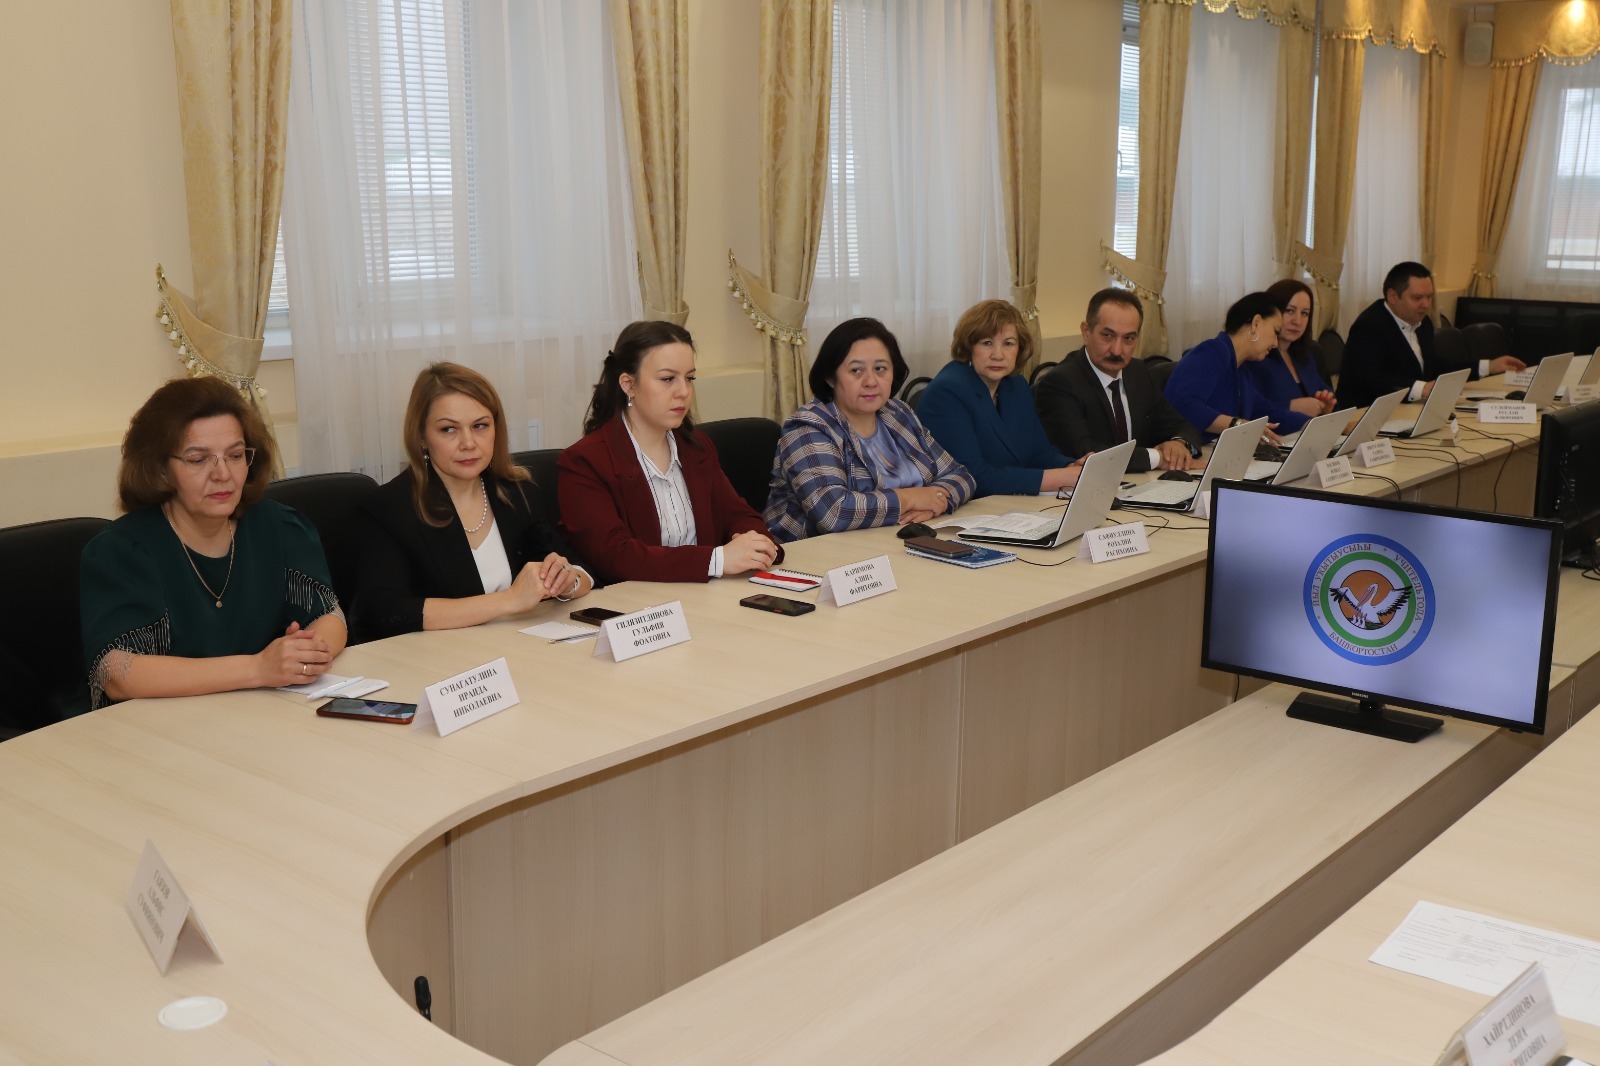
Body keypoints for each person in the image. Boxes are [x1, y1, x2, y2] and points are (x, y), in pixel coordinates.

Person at [79, 377, 346, 710]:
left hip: (264, 713)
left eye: (235, 455)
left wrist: (305, 653)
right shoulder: (121, 551)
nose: (223, 474)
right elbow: (116, 674)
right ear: (161, 469)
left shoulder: (280, 526)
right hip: (162, 727)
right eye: (198, 459)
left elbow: (330, 616)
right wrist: (257, 668)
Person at [354, 363, 591, 641]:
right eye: (448, 429)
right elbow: (384, 612)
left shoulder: (517, 491)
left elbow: (579, 571)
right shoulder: (389, 508)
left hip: (518, 646)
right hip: (440, 659)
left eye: (480, 426)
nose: (468, 443)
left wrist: (566, 581)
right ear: (421, 437)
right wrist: (510, 600)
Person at [559, 320, 781, 584]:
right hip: (638, 605)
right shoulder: (585, 462)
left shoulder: (696, 447)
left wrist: (753, 543)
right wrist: (717, 560)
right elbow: (616, 557)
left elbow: (740, 516)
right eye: (667, 379)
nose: (684, 392)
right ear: (628, 384)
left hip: (705, 596)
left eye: (689, 378)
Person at [766, 317, 976, 542]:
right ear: (830, 377)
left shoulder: (898, 413)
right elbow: (832, 513)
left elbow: (961, 475)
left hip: (898, 542)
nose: (871, 381)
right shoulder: (807, 427)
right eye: (856, 370)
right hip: (819, 554)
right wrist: (910, 499)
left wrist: (935, 502)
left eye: (880, 369)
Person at [916, 299, 1086, 497]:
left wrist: (1071, 466)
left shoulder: (1016, 386)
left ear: (1019, 348)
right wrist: (1060, 478)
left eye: (1008, 343)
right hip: (966, 507)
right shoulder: (947, 393)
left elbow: (1038, 452)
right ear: (969, 346)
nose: (998, 355)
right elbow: (971, 476)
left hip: (1008, 503)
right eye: (987, 343)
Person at [1034, 288, 1203, 473]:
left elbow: (1182, 426)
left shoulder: (1137, 372)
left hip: (1140, 483)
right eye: (1107, 336)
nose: (1117, 350)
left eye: (1128, 338)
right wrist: (1158, 457)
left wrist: (1178, 444)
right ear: (1086, 332)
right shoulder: (1060, 383)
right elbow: (1086, 453)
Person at [1336, 261, 1526, 410]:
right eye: (1417, 298)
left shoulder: (1422, 321)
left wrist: (1487, 366)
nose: (1426, 305)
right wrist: (1421, 388)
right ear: (1393, 296)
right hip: (1365, 414)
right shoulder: (1369, 326)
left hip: (1407, 409)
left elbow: (1432, 366)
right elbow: (1368, 379)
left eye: (1429, 297)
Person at [1163, 291, 1300, 439]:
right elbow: (1185, 406)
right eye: (1275, 332)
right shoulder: (1212, 351)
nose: (1275, 344)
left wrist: (1311, 424)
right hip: (1184, 450)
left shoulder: (1241, 371)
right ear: (1256, 323)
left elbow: (1270, 413)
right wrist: (1238, 425)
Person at [1247, 278, 1337, 419]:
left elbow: (1327, 398)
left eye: (1305, 313)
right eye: (1289, 311)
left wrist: (1326, 406)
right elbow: (1248, 412)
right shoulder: (1255, 359)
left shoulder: (1309, 354)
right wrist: (1291, 407)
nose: (1297, 321)